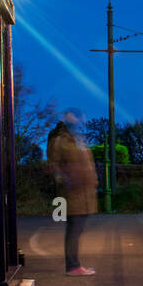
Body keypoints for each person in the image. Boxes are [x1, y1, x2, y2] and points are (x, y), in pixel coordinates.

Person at [47, 108, 99, 275]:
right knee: (74, 229)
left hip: (83, 192)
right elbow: (54, 165)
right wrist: (67, 181)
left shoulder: (77, 139)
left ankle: (74, 265)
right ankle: (73, 266)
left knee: (76, 229)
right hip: (73, 192)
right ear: (73, 118)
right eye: (79, 118)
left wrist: (92, 180)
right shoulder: (61, 140)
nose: (82, 121)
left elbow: (86, 163)